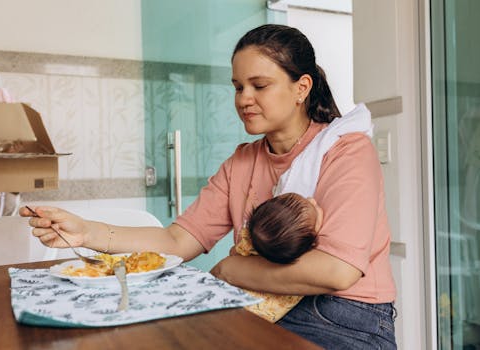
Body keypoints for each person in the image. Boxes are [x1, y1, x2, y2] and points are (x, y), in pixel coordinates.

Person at [21, 24, 397, 348]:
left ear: (302, 88)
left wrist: (233, 271)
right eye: (237, 87)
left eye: (259, 85)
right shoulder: (243, 162)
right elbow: (176, 241)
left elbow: (337, 271)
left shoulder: (345, 151)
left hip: (346, 316)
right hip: (259, 304)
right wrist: (85, 231)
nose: (243, 100)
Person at [236, 192, 322, 323]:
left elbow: (236, 251)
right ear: (311, 241)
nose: (312, 200)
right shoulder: (307, 256)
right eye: (313, 206)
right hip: (255, 318)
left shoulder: (252, 243)